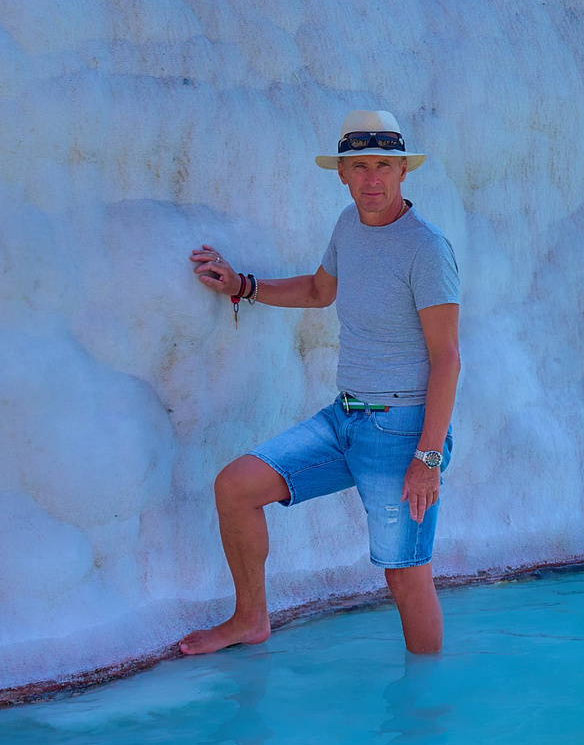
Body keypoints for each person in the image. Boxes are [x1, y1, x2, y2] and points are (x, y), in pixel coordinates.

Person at [183, 109, 461, 656]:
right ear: (342, 173)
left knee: (405, 575)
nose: (372, 179)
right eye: (359, 166)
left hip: (404, 429)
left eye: (384, 165)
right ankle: (250, 619)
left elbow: (447, 358)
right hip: (345, 419)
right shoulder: (347, 225)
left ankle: (428, 716)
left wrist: (428, 458)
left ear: (404, 171)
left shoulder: (426, 249)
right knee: (236, 487)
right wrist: (243, 285)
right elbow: (317, 291)